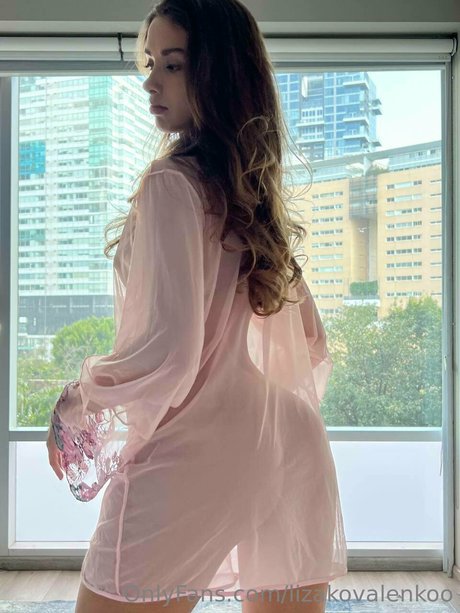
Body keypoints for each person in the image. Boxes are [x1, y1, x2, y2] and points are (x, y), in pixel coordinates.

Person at [46, 0, 348, 611]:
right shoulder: (249, 196)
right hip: (287, 438)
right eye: (150, 63)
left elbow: (167, 352)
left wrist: (76, 401)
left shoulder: (171, 185)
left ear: (217, 72)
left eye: (173, 64)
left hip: (194, 449)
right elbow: (310, 341)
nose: (151, 82)